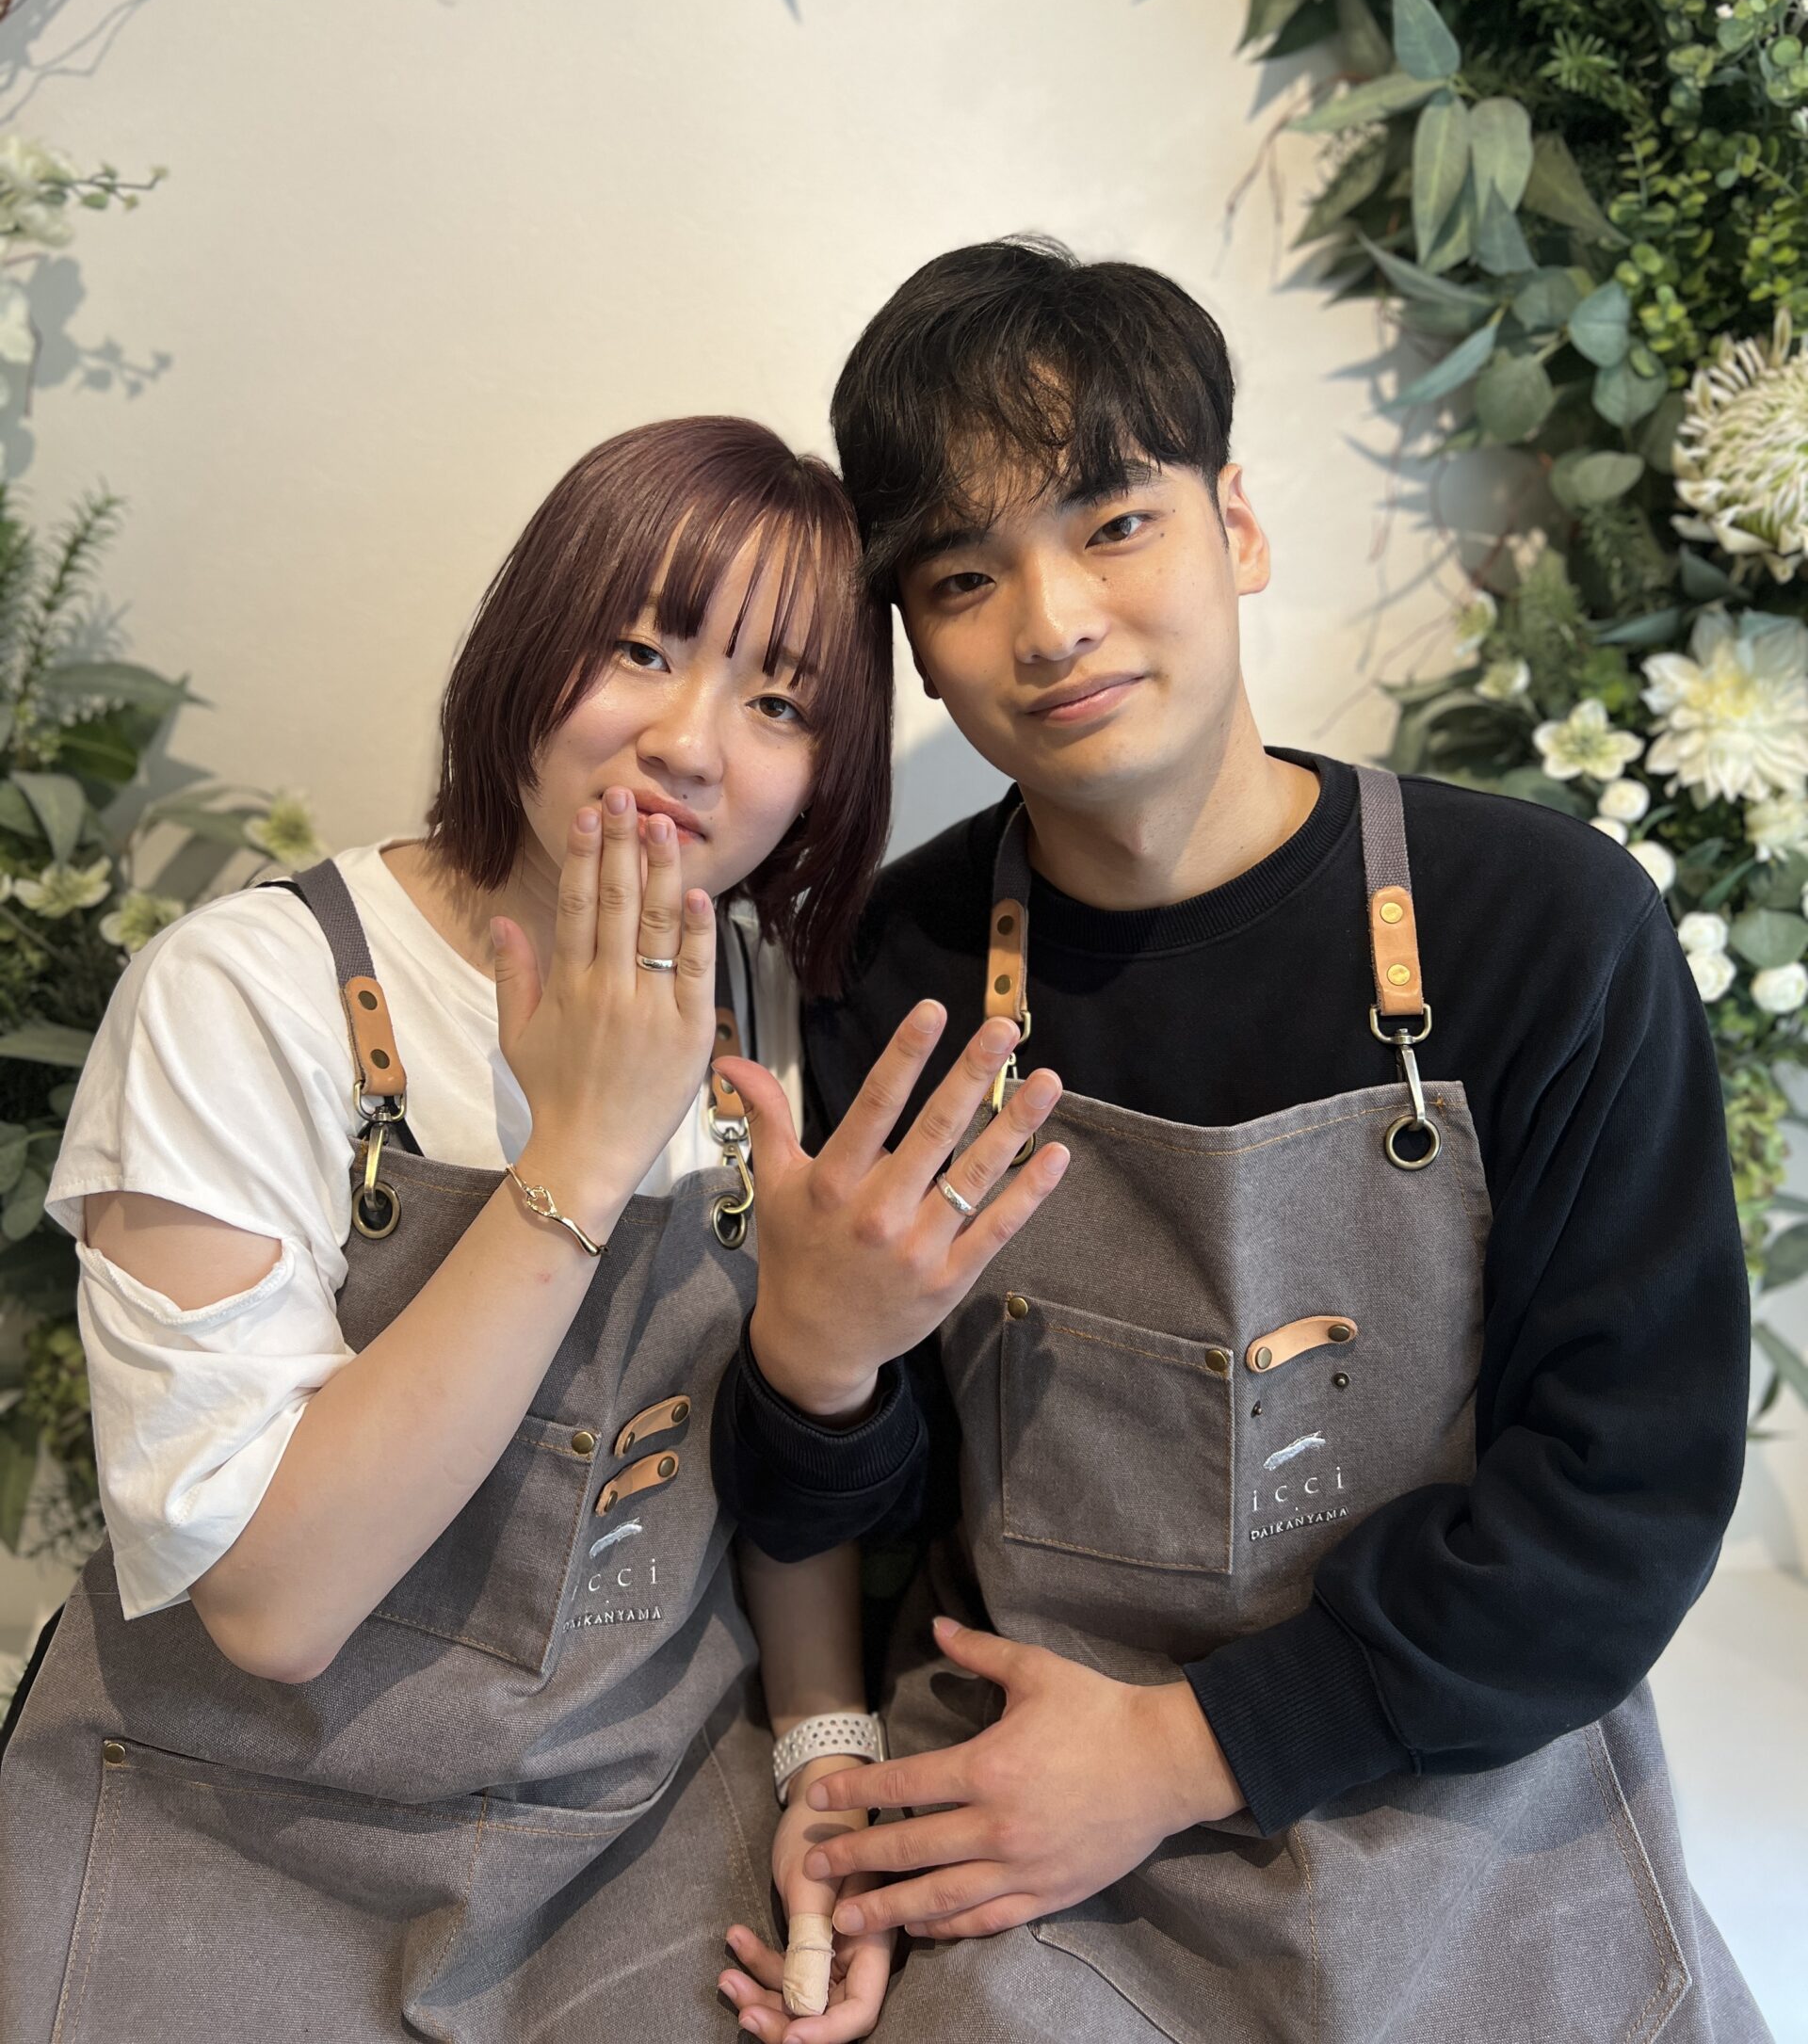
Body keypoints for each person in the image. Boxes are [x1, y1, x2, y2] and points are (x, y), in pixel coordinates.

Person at [711, 241, 1772, 2041]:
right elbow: (869, 1517)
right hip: (1026, 1786)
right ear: (918, 650)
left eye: (1115, 523)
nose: (1052, 622)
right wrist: (815, 1370)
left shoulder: (1543, 926)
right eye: (965, 576)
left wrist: (1188, 1749)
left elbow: (1627, 1492)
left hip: (1448, 1752)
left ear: (1241, 527)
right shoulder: (888, 978)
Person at [0, 417, 928, 2044]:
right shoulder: (248, 993)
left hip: (626, 1836)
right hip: (226, 1829)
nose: (691, 745)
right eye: (641, 648)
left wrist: (824, 1758)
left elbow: (782, 1427)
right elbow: (272, 1608)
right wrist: (584, 1148)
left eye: (780, 704)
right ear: (527, 640)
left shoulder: (774, 1003)